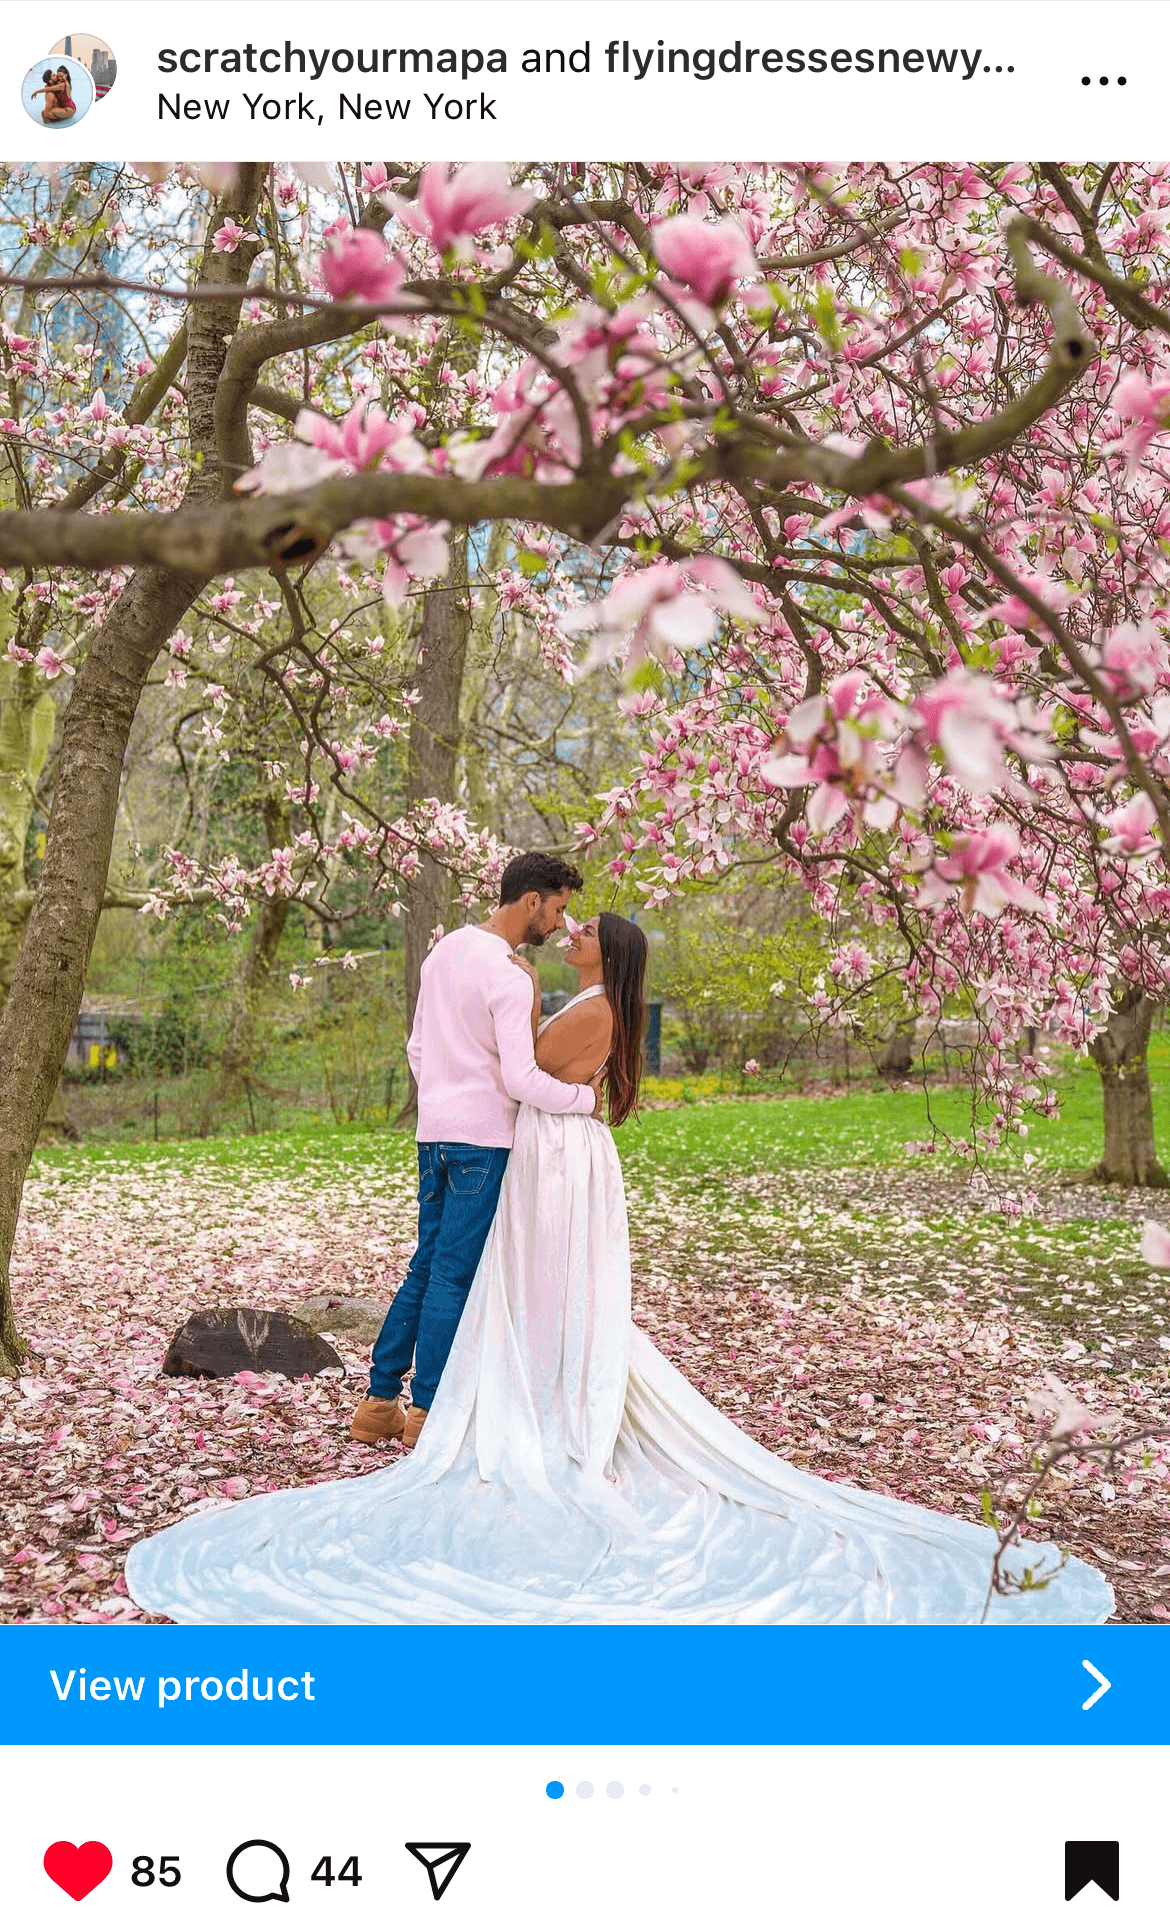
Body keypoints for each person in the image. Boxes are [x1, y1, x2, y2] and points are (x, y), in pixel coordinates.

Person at [124, 893, 1113, 1626]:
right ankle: (499, 1385)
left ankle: (543, 1403)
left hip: (555, 1161)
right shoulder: (585, 998)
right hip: (550, 1155)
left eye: (589, 924)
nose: (577, 927)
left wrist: (496, 1062)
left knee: (544, 1290)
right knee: (517, 1287)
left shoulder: (593, 1007)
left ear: (610, 949)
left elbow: (535, 1082)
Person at [349, 850, 602, 1452]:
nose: (559, 925)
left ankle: (378, 1402)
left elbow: (416, 1049)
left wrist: (443, 1093)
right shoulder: (509, 975)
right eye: (558, 909)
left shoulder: (445, 951)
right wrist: (584, 1101)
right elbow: (520, 1079)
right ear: (532, 899)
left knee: (425, 1264)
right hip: (482, 1141)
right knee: (452, 1277)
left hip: (433, 1134)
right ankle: (427, 1411)